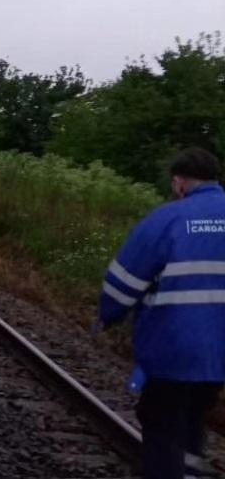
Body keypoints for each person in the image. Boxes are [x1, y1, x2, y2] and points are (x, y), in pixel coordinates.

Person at [95, 147, 225, 479]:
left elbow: (125, 280)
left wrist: (108, 315)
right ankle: (190, 472)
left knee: (162, 423)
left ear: (179, 182)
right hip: (219, 353)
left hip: (174, 346)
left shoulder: (168, 218)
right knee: (195, 414)